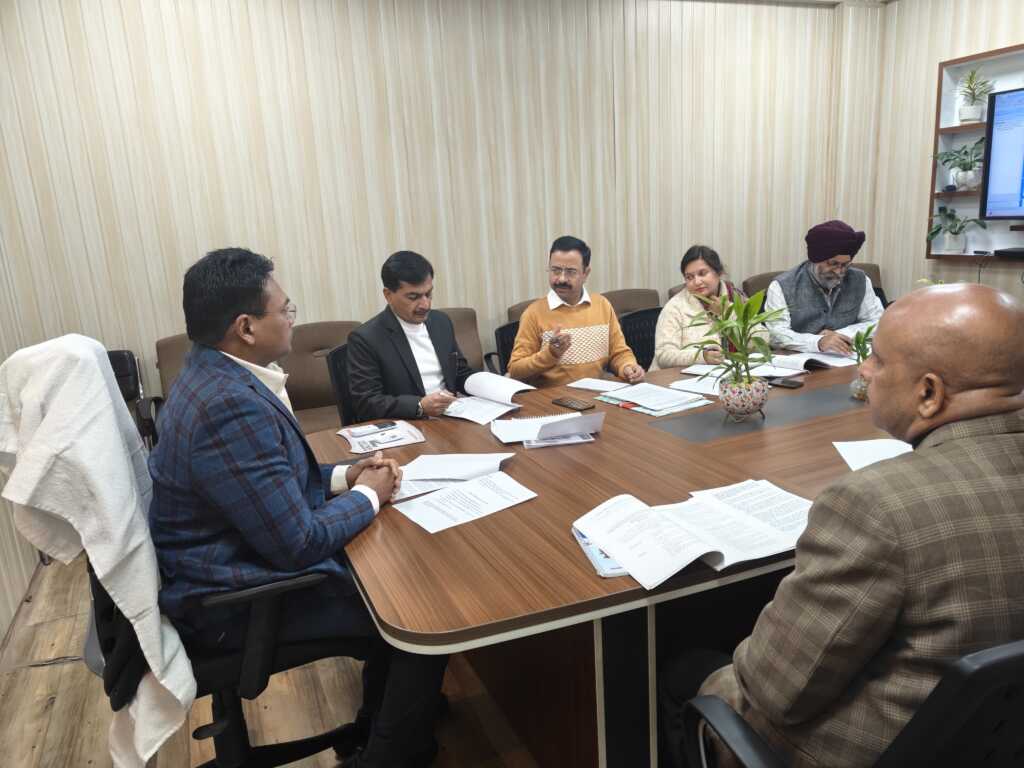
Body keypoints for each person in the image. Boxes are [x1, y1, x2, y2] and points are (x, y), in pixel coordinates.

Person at [661, 282, 1024, 768]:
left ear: (929, 393)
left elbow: (773, 690)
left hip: (866, 750)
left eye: (876, 358)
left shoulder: (875, 505)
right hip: (995, 741)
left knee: (684, 667)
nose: (863, 369)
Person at [148, 248, 447, 768]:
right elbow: (298, 543)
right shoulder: (229, 404)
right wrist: (371, 493)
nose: (292, 318)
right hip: (233, 602)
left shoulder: (212, 373)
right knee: (418, 609)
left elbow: (267, 481)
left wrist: (348, 475)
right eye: (285, 309)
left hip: (228, 564)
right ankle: (391, 753)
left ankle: (381, 726)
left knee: (396, 576)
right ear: (245, 327)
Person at [347, 251, 475, 422]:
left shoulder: (441, 322)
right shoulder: (366, 338)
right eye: (413, 297)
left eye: (428, 294)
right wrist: (419, 406)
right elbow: (367, 403)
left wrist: (491, 386)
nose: (425, 305)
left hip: (452, 417)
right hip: (409, 423)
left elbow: (459, 372)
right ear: (388, 295)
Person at [507, 235, 644, 388]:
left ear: (586, 273)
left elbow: (619, 353)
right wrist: (550, 354)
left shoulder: (602, 305)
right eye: (555, 270)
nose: (561, 279)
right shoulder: (533, 314)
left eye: (570, 272)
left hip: (597, 394)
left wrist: (627, 367)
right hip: (553, 398)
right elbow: (516, 370)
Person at [764, 219, 884, 354]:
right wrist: (818, 342)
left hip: (847, 357)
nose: (839, 271)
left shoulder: (860, 280)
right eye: (833, 264)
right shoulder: (781, 286)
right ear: (815, 259)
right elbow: (777, 335)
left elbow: (878, 322)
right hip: (801, 360)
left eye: (845, 265)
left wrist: (840, 335)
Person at [651, 245, 767, 371]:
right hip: (676, 378)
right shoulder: (675, 307)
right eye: (689, 277)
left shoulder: (737, 298)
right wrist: (702, 356)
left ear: (718, 272)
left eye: (702, 273)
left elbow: (762, 342)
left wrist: (726, 314)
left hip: (733, 374)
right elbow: (664, 356)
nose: (697, 282)